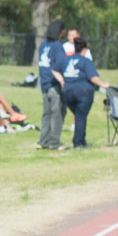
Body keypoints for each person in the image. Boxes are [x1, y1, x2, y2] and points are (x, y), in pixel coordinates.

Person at [60, 37, 109, 149]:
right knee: (81, 116)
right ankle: (77, 142)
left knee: (79, 116)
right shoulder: (86, 61)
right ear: (85, 49)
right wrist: (103, 85)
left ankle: (82, 140)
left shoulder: (66, 60)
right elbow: (93, 77)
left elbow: (56, 69)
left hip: (67, 92)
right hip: (83, 92)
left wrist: (61, 81)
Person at [37, 18, 68, 151]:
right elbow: (60, 64)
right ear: (60, 32)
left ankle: (43, 141)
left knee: (46, 113)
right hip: (54, 84)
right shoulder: (57, 46)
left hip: (44, 83)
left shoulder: (43, 44)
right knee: (58, 113)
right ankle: (54, 142)